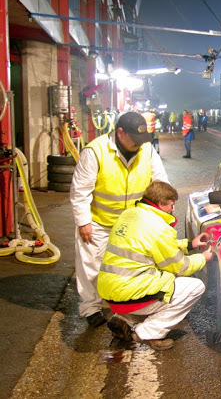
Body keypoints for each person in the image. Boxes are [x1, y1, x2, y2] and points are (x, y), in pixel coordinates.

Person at [70, 112, 168, 328]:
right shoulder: (95, 151)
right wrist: (83, 221)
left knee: (130, 265)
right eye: (135, 140)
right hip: (99, 222)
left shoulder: (147, 150)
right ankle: (91, 307)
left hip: (132, 225)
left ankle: (123, 302)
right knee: (91, 266)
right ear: (120, 133)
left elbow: (160, 181)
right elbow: (80, 190)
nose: (139, 145)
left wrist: (162, 212)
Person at [97, 181, 212, 351]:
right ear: (160, 204)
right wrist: (203, 257)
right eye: (171, 205)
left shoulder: (129, 214)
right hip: (130, 292)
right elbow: (181, 266)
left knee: (155, 278)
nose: (173, 209)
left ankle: (123, 319)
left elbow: (153, 245)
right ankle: (149, 332)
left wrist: (189, 244)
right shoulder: (159, 227)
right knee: (193, 286)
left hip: (109, 290)